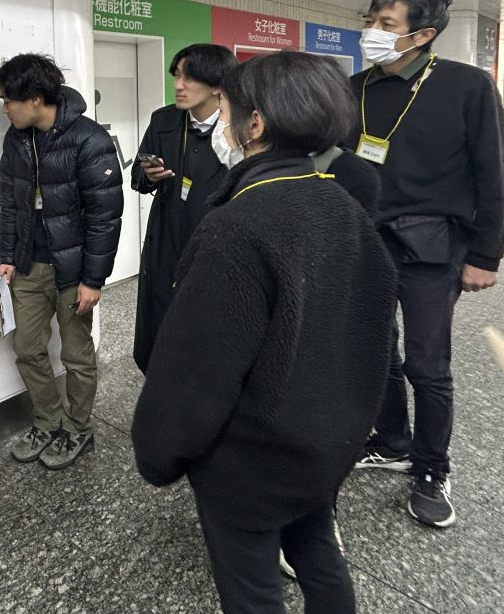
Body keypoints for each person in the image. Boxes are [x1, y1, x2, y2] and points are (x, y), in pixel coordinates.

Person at [132, 52, 397, 614]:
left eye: (227, 106)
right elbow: (373, 339)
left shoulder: (239, 226)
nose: (221, 121)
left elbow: (196, 370)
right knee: (318, 553)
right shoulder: (344, 207)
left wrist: (159, 454)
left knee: (252, 588)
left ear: (255, 125)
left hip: (252, 461)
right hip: (324, 444)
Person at [347, 0, 504, 528]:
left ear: (422, 35)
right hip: (365, 243)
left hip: (432, 249)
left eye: (385, 24)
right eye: (369, 20)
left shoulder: (467, 86)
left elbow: (496, 175)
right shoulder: (354, 88)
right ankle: (393, 440)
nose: (371, 32)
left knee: (428, 366)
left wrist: (485, 256)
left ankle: (431, 468)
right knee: (376, 355)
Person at [0, 53, 123, 470]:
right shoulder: (16, 139)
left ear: (35, 100)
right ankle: (48, 421)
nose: (4, 109)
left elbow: (105, 217)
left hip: (73, 273)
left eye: (9, 100)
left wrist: (93, 279)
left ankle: (78, 428)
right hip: (29, 266)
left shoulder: (89, 140)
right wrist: (8, 255)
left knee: (76, 356)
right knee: (28, 349)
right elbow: (11, 202)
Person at [131, 44, 237, 374]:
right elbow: (137, 173)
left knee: (207, 334)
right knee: (160, 327)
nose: (179, 85)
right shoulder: (163, 120)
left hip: (216, 244)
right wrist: (147, 175)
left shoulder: (241, 127)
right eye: (177, 75)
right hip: (166, 239)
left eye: (189, 77)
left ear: (218, 84)